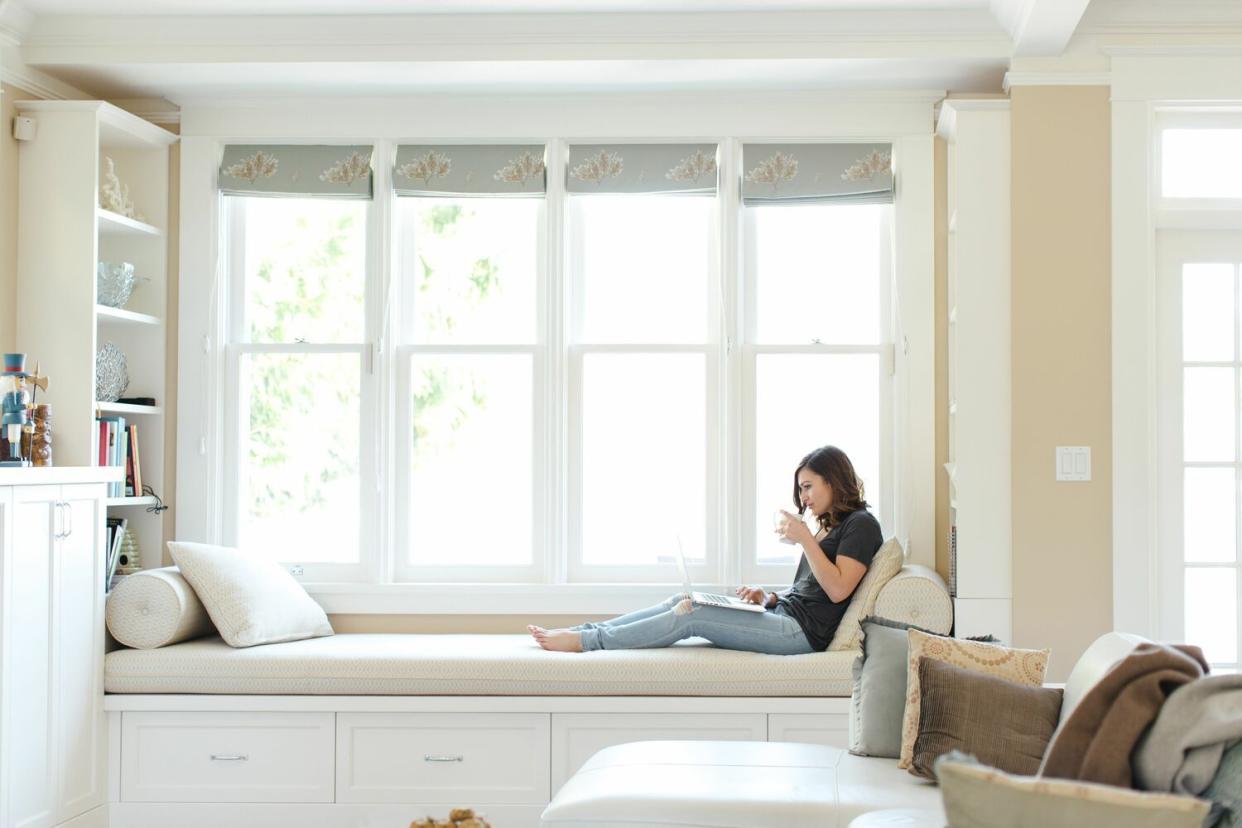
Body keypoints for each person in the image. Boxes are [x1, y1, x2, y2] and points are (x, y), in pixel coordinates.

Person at [528, 445, 883, 654]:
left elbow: (838, 591)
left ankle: (588, 642)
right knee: (683, 600)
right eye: (801, 489)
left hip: (802, 635)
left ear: (833, 480)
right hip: (783, 614)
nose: (803, 497)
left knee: (692, 615)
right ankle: (586, 630)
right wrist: (771, 597)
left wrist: (805, 538)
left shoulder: (861, 525)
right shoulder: (829, 526)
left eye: (808, 487)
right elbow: (813, 592)